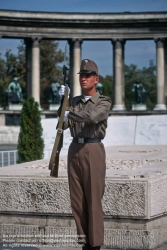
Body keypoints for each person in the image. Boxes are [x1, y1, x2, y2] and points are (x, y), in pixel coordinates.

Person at [58, 59, 111, 250]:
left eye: (88, 76)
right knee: (77, 201)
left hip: (93, 149)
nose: (84, 79)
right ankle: (84, 242)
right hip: (74, 149)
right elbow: (62, 125)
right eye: (81, 75)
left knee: (93, 200)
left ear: (96, 79)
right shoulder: (74, 102)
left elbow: (93, 117)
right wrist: (62, 104)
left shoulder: (103, 101)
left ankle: (95, 245)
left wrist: (69, 114)